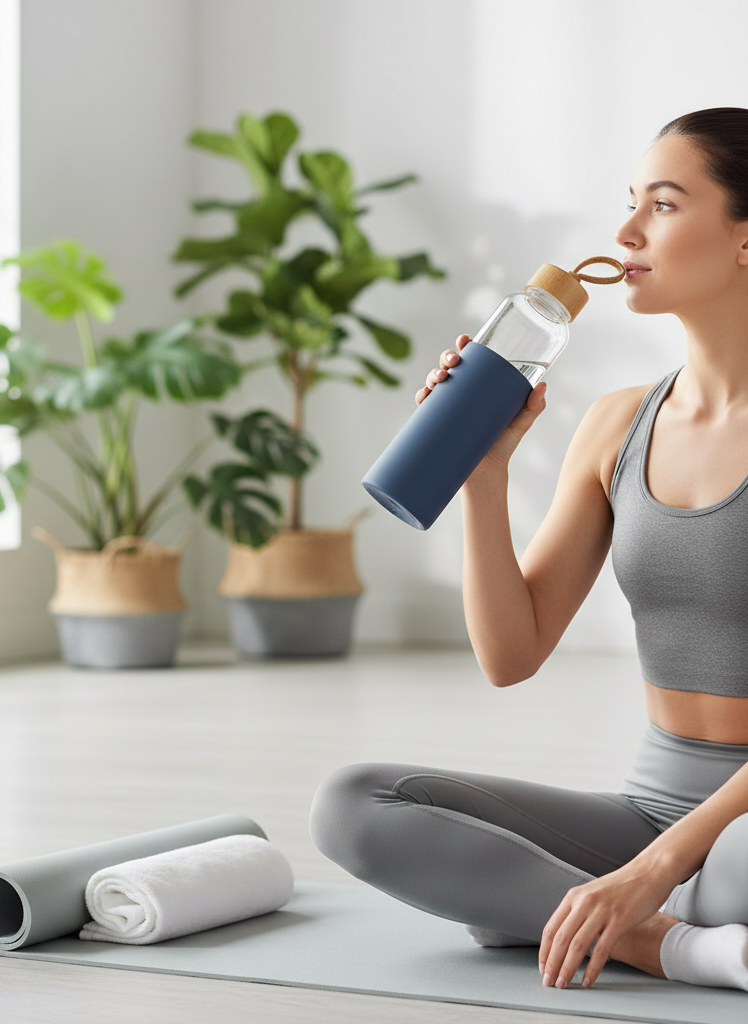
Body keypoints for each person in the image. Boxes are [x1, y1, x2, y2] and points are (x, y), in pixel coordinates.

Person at [310, 108, 748, 993]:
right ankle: (669, 945)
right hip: (652, 801)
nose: (625, 233)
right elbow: (511, 654)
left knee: (732, 862)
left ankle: (559, 904)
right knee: (355, 807)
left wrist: (654, 870)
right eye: (629, 203)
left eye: (662, 205)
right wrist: (484, 473)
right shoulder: (617, 424)